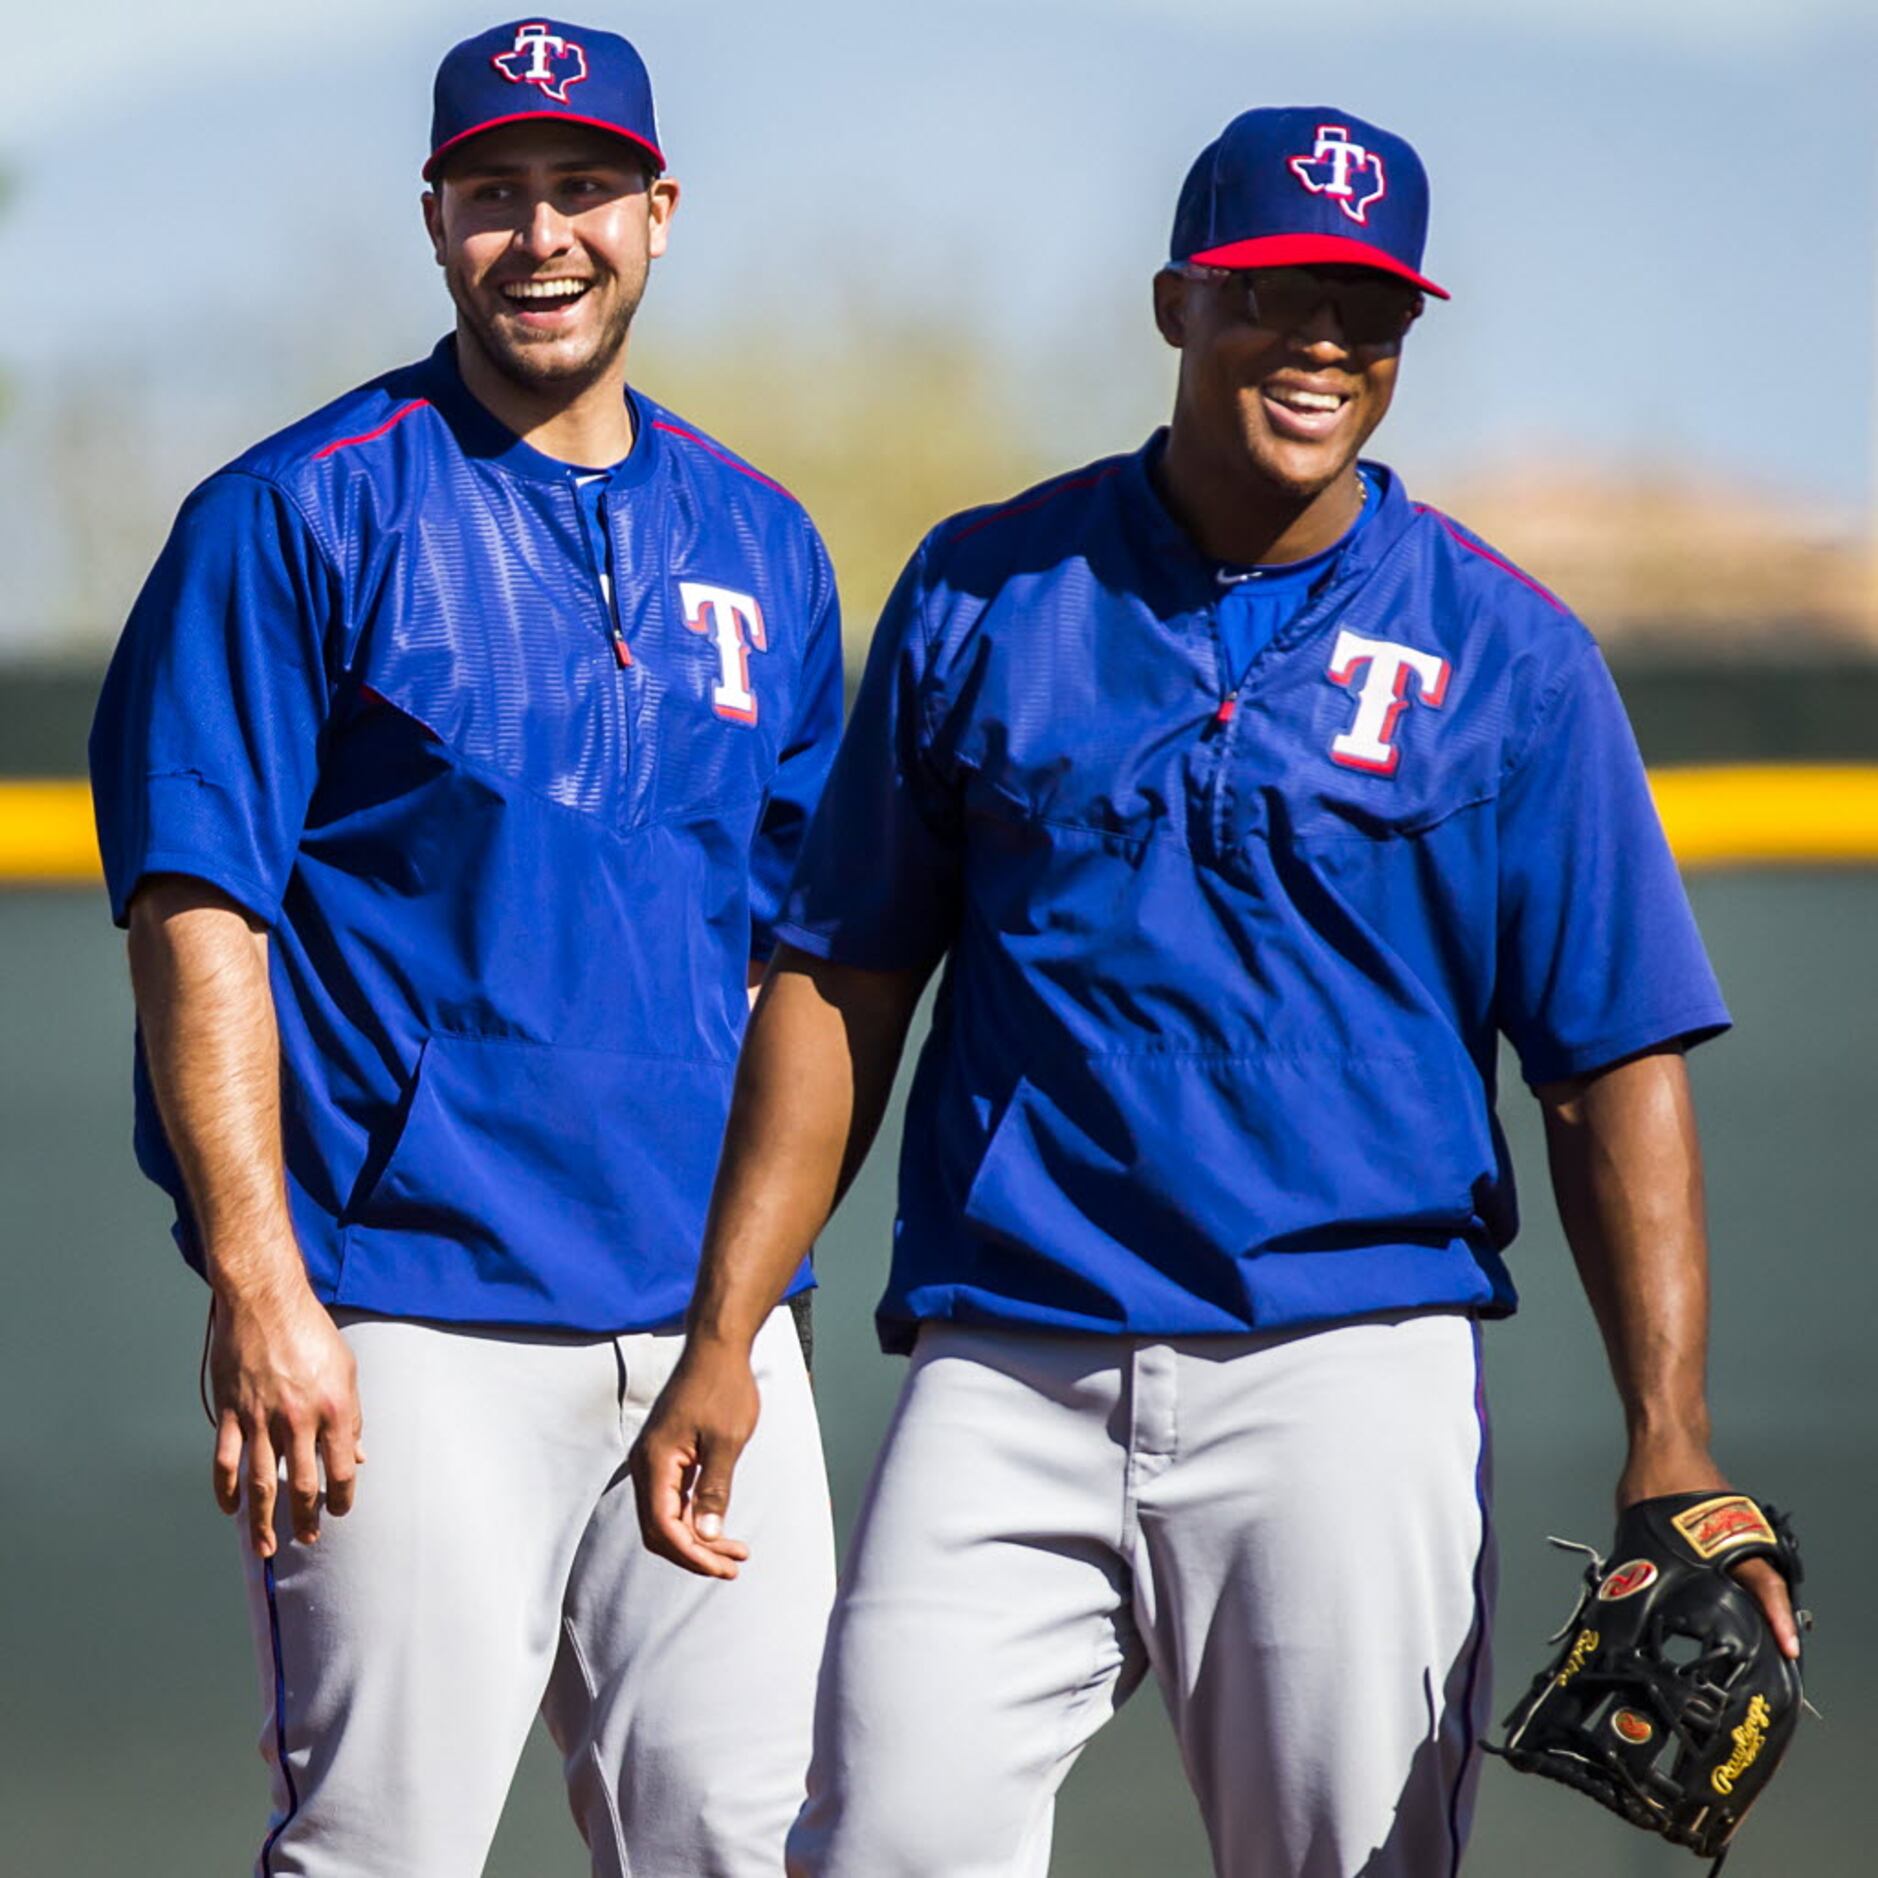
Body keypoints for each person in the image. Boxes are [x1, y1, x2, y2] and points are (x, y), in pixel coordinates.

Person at [630, 106, 1799, 1877]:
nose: (1322, 339)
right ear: (1177, 303)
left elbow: (1607, 1063)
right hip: (1007, 1359)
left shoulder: (1510, 654)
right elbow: (840, 980)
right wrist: (724, 1333)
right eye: (1272, 295)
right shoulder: (985, 583)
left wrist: (1670, 1439)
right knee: (881, 1841)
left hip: (1336, 1368)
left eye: (1367, 306)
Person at [89, 19, 841, 1875]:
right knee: (381, 1850)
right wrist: (266, 1285)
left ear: (659, 213)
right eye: (494, 193)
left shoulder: (763, 541)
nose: (541, 234)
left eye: (583, 188)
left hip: (699, 1327)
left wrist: (745, 1320)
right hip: (402, 1323)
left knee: (751, 1849)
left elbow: (798, 960)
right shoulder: (293, 509)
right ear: (433, 220)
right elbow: (201, 916)